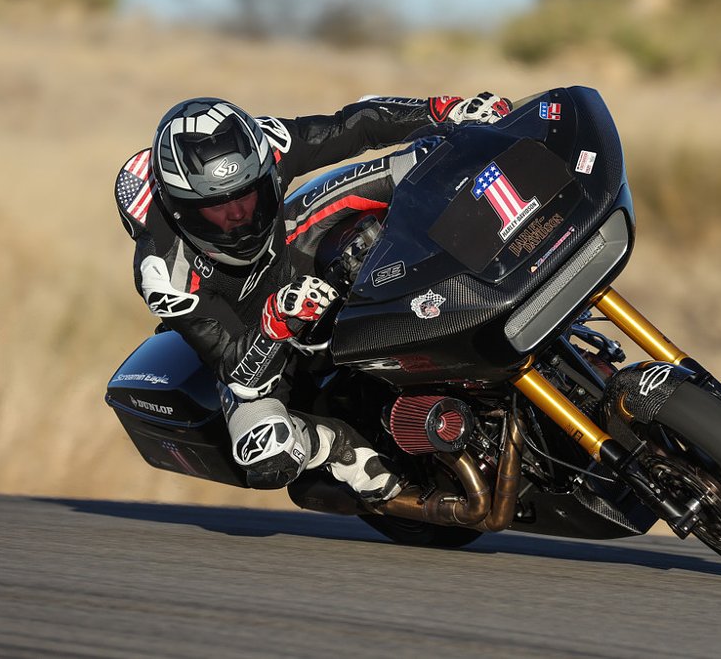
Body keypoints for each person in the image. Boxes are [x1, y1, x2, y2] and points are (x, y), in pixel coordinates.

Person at [114, 92, 511, 498]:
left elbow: (353, 125)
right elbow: (236, 371)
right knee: (266, 453)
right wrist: (274, 324)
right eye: (219, 207)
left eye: (249, 193)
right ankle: (337, 447)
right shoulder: (165, 276)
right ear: (182, 211)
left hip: (290, 249)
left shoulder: (264, 144)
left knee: (425, 160)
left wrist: (437, 111)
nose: (240, 215)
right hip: (251, 335)